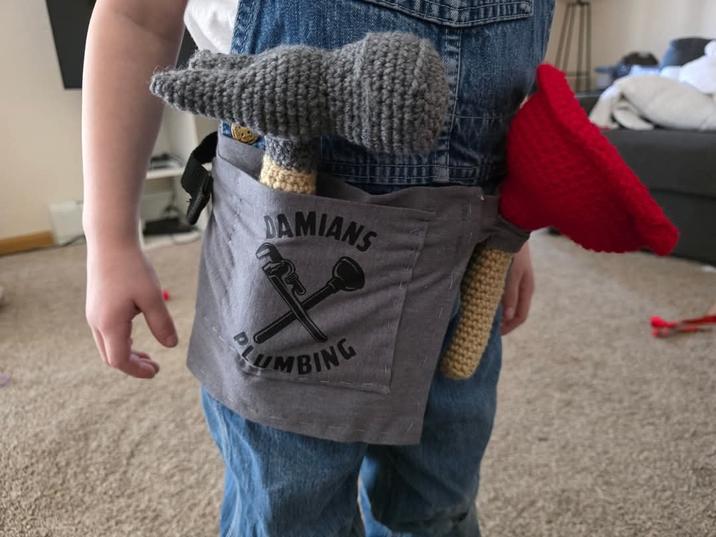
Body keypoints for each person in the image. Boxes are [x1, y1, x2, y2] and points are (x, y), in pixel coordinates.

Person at [82, 0, 553, 535]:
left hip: (465, 259)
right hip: (285, 238)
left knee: (440, 496)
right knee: (290, 508)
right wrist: (111, 239)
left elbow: (506, 82)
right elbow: (136, 18)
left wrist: (512, 230)